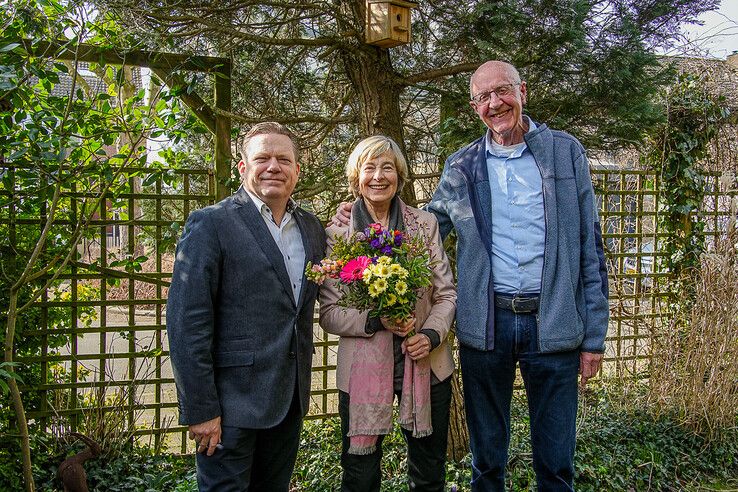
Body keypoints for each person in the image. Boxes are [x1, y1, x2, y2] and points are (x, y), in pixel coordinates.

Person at [332, 61, 609, 491]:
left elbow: (589, 247)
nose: (495, 103)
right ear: (475, 106)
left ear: (523, 92)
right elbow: (426, 229)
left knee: (556, 464)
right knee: (487, 460)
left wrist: (594, 337)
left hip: (554, 324)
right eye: (484, 97)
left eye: (503, 91)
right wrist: (365, 222)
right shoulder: (463, 165)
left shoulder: (564, 152)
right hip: (487, 328)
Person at [166, 122, 326, 492]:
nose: (274, 167)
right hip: (230, 406)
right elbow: (186, 323)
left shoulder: (311, 228)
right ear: (243, 167)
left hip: (288, 401)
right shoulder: (212, 223)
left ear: (297, 170)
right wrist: (202, 409)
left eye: (284, 159)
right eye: (263, 158)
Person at [319, 135, 457, 492]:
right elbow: (330, 313)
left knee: (428, 475)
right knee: (360, 477)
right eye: (369, 168)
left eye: (388, 168)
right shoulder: (337, 235)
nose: (378, 176)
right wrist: (375, 321)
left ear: (399, 175)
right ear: (356, 177)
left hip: (425, 364)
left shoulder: (424, 225)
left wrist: (430, 336)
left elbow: (446, 294)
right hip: (364, 369)